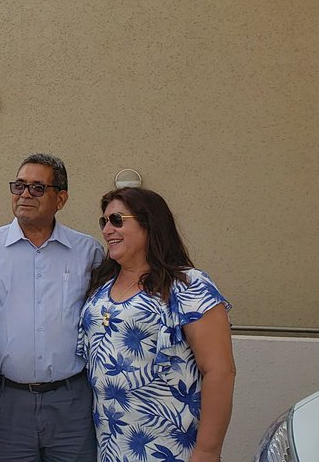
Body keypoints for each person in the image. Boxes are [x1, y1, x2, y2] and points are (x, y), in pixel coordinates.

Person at [0, 153, 104, 462]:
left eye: (38, 188)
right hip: (6, 402)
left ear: (61, 199)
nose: (25, 194)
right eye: (19, 186)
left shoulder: (88, 252)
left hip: (71, 402)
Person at [78, 187, 234, 462]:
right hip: (113, 447)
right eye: (104, 222)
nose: (107, 230)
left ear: (149, 223)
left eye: (117, 220)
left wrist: (207, 452)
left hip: (172, 449)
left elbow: (220, 371)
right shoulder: (101, 286)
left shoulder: (188, 285)